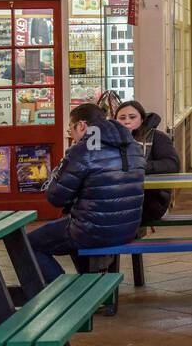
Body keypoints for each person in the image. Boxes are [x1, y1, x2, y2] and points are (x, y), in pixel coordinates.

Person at [30, 104, 145, 284]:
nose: (72, 135)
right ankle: (87, 286)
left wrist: (57, 172)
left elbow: (56, 198)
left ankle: (62, 292)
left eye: (71, 129)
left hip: (94, 231)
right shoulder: (133, 147)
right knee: (70, 226)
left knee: (29, 244)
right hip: (128, 228)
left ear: (82, 125)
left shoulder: (82, 150)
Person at [114, 100, 180, 227]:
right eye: (122, 118)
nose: (127, 121)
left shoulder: (157, 137)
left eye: (132, 117)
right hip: (121, 197)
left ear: (142, 119)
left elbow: (172, 164)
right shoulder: (110, 141)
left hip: (152, 199)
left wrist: (138, 166)